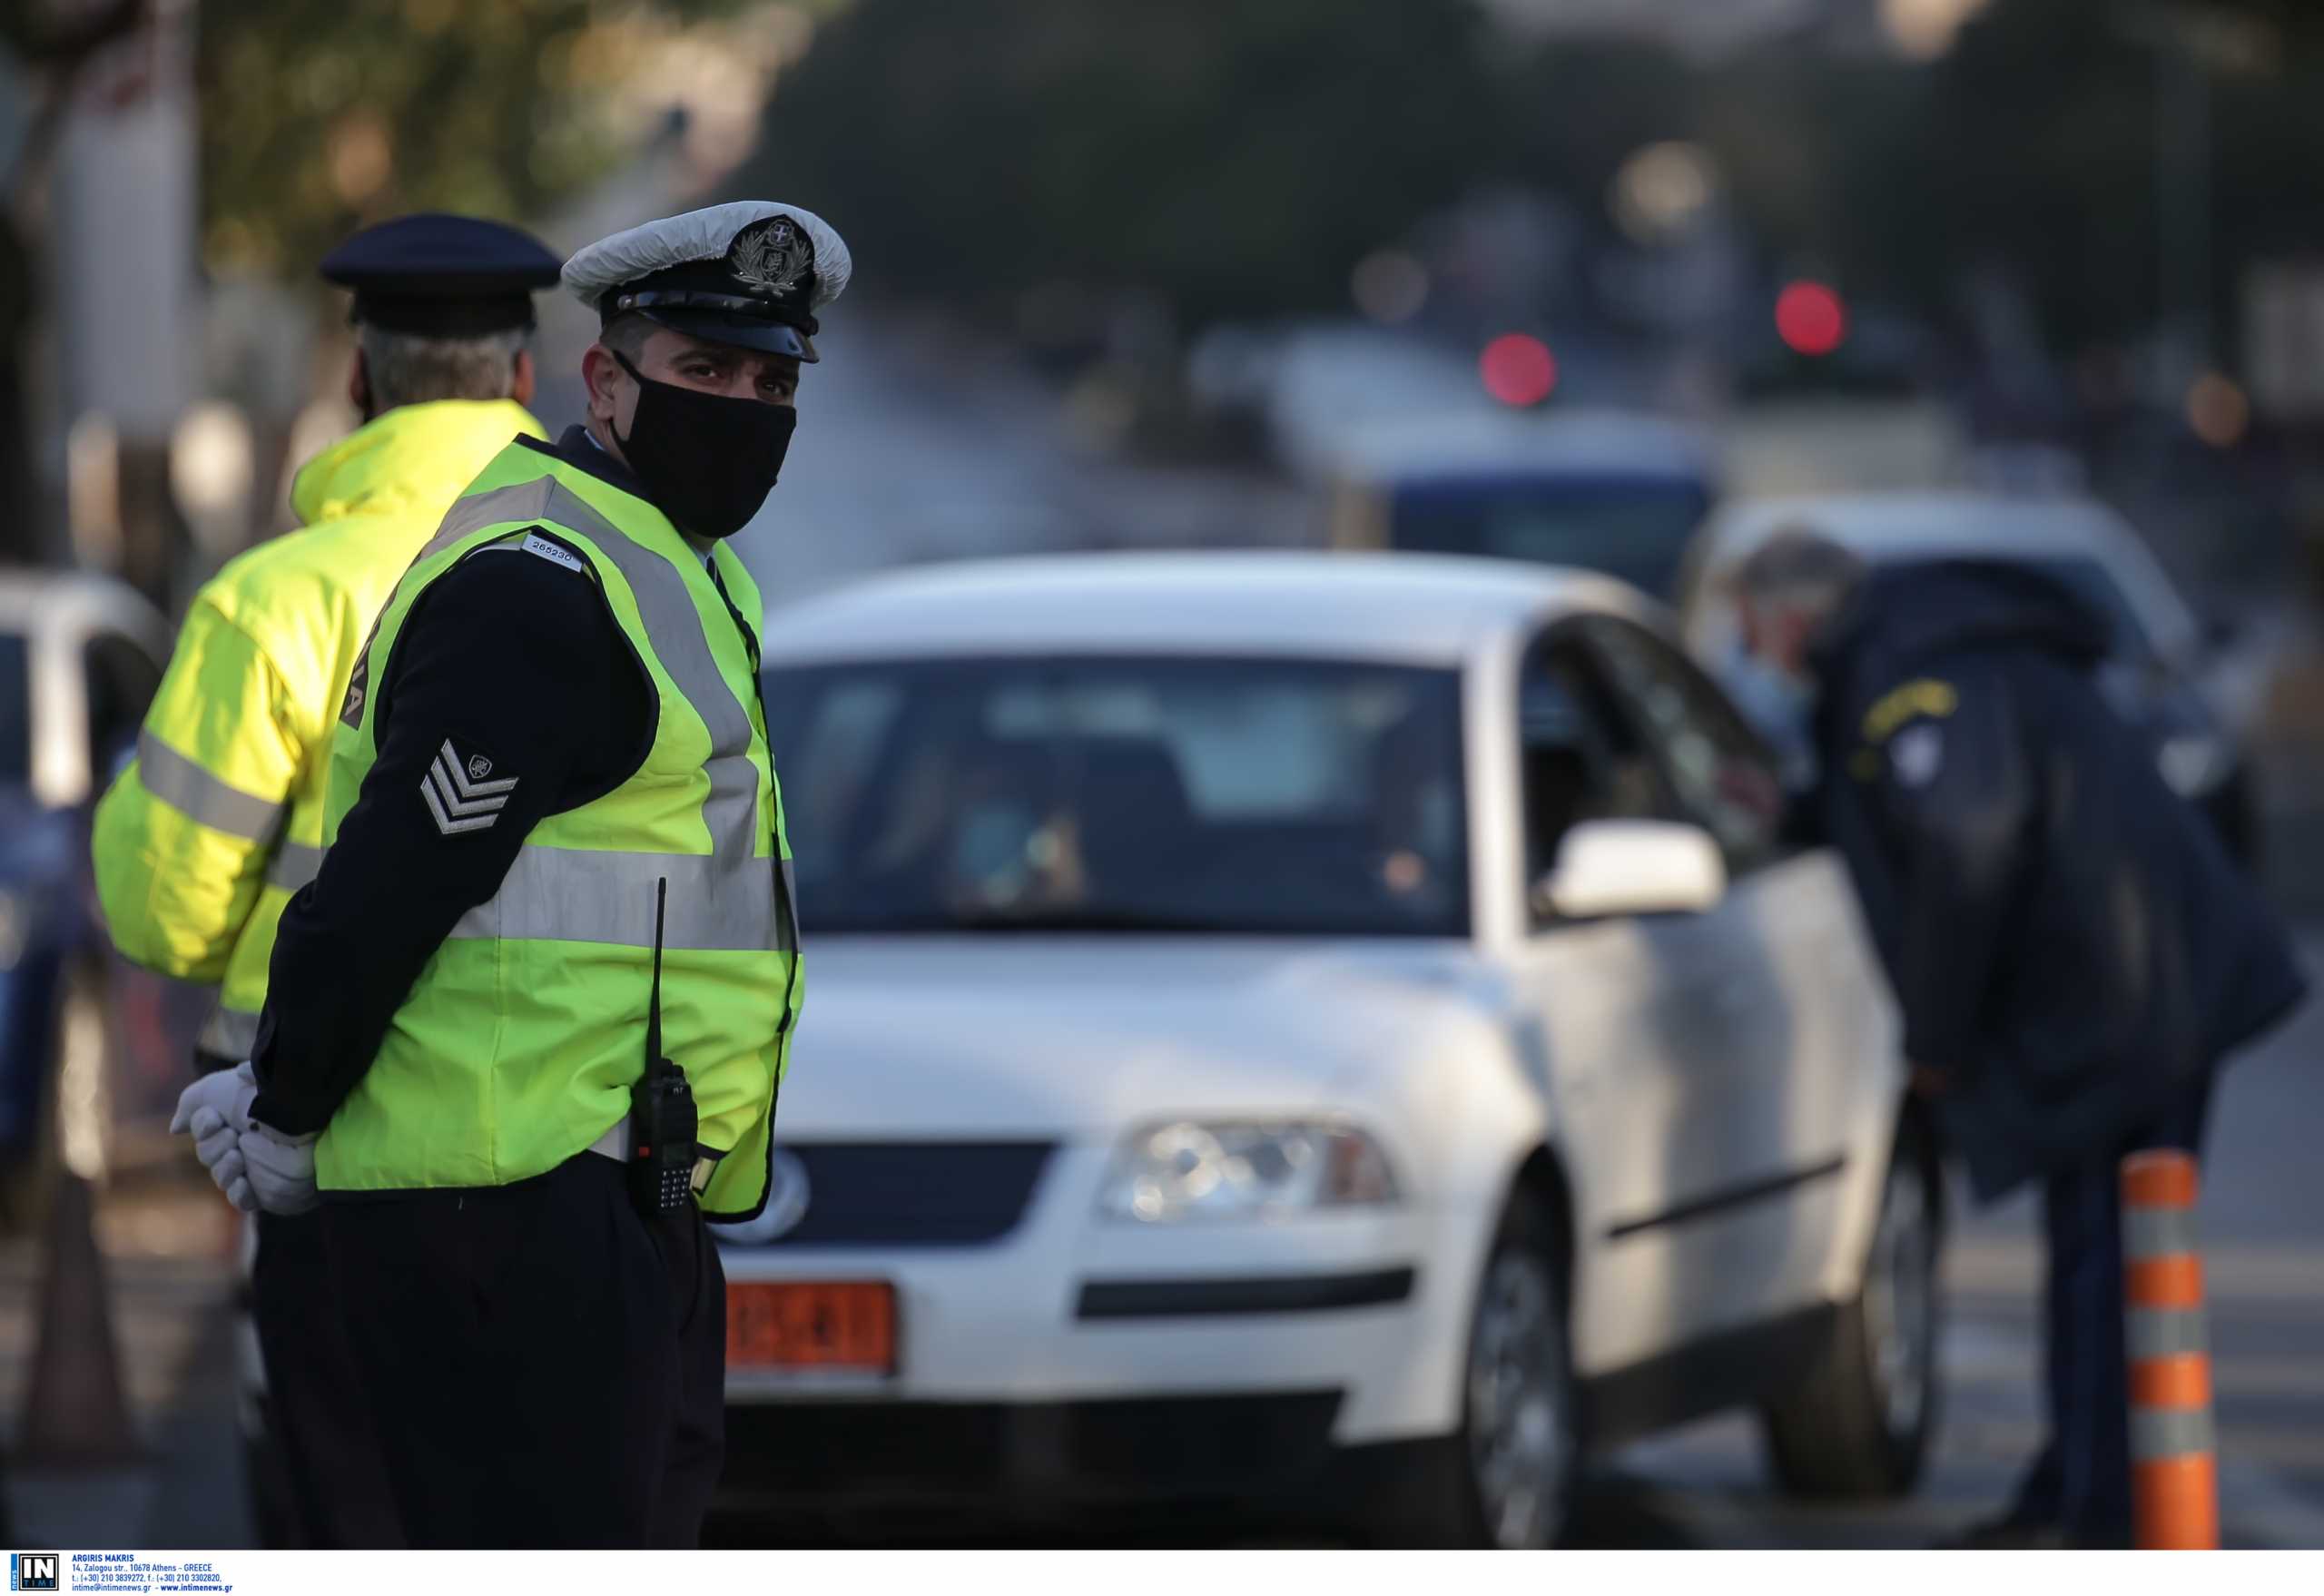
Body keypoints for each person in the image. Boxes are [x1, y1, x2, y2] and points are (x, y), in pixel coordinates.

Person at [171, 201, 834, 1548]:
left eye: (772, 382)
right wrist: (286, 1109)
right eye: (704, 371)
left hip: (601, 1201)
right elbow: (388, 881)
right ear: (604, 380)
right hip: (497, 1221)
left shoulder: (668, 566)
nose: (745, 408)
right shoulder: (541, 585)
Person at [94, 212, 563, 1547]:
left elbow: (164, 912)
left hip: (319, 1156)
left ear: (360, 380)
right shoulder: (624, 580)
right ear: (524, 380)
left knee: (343, 1516)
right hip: (569, 1165)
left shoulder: (272, 604)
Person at [1728, 527, 2308, 1548]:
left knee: (2105, 1258)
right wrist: (1806, 811)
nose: (1750, 654)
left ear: (1785, 616)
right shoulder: (1921, 658)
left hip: (2132, 996)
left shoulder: (1907, 674)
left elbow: (1963, 836)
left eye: (1748, 630)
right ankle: (2078, 1488)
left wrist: (1936, 1031)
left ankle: (2102, 1514)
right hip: (2133, 985)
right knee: (2095, 1252)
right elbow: (1912, 812)